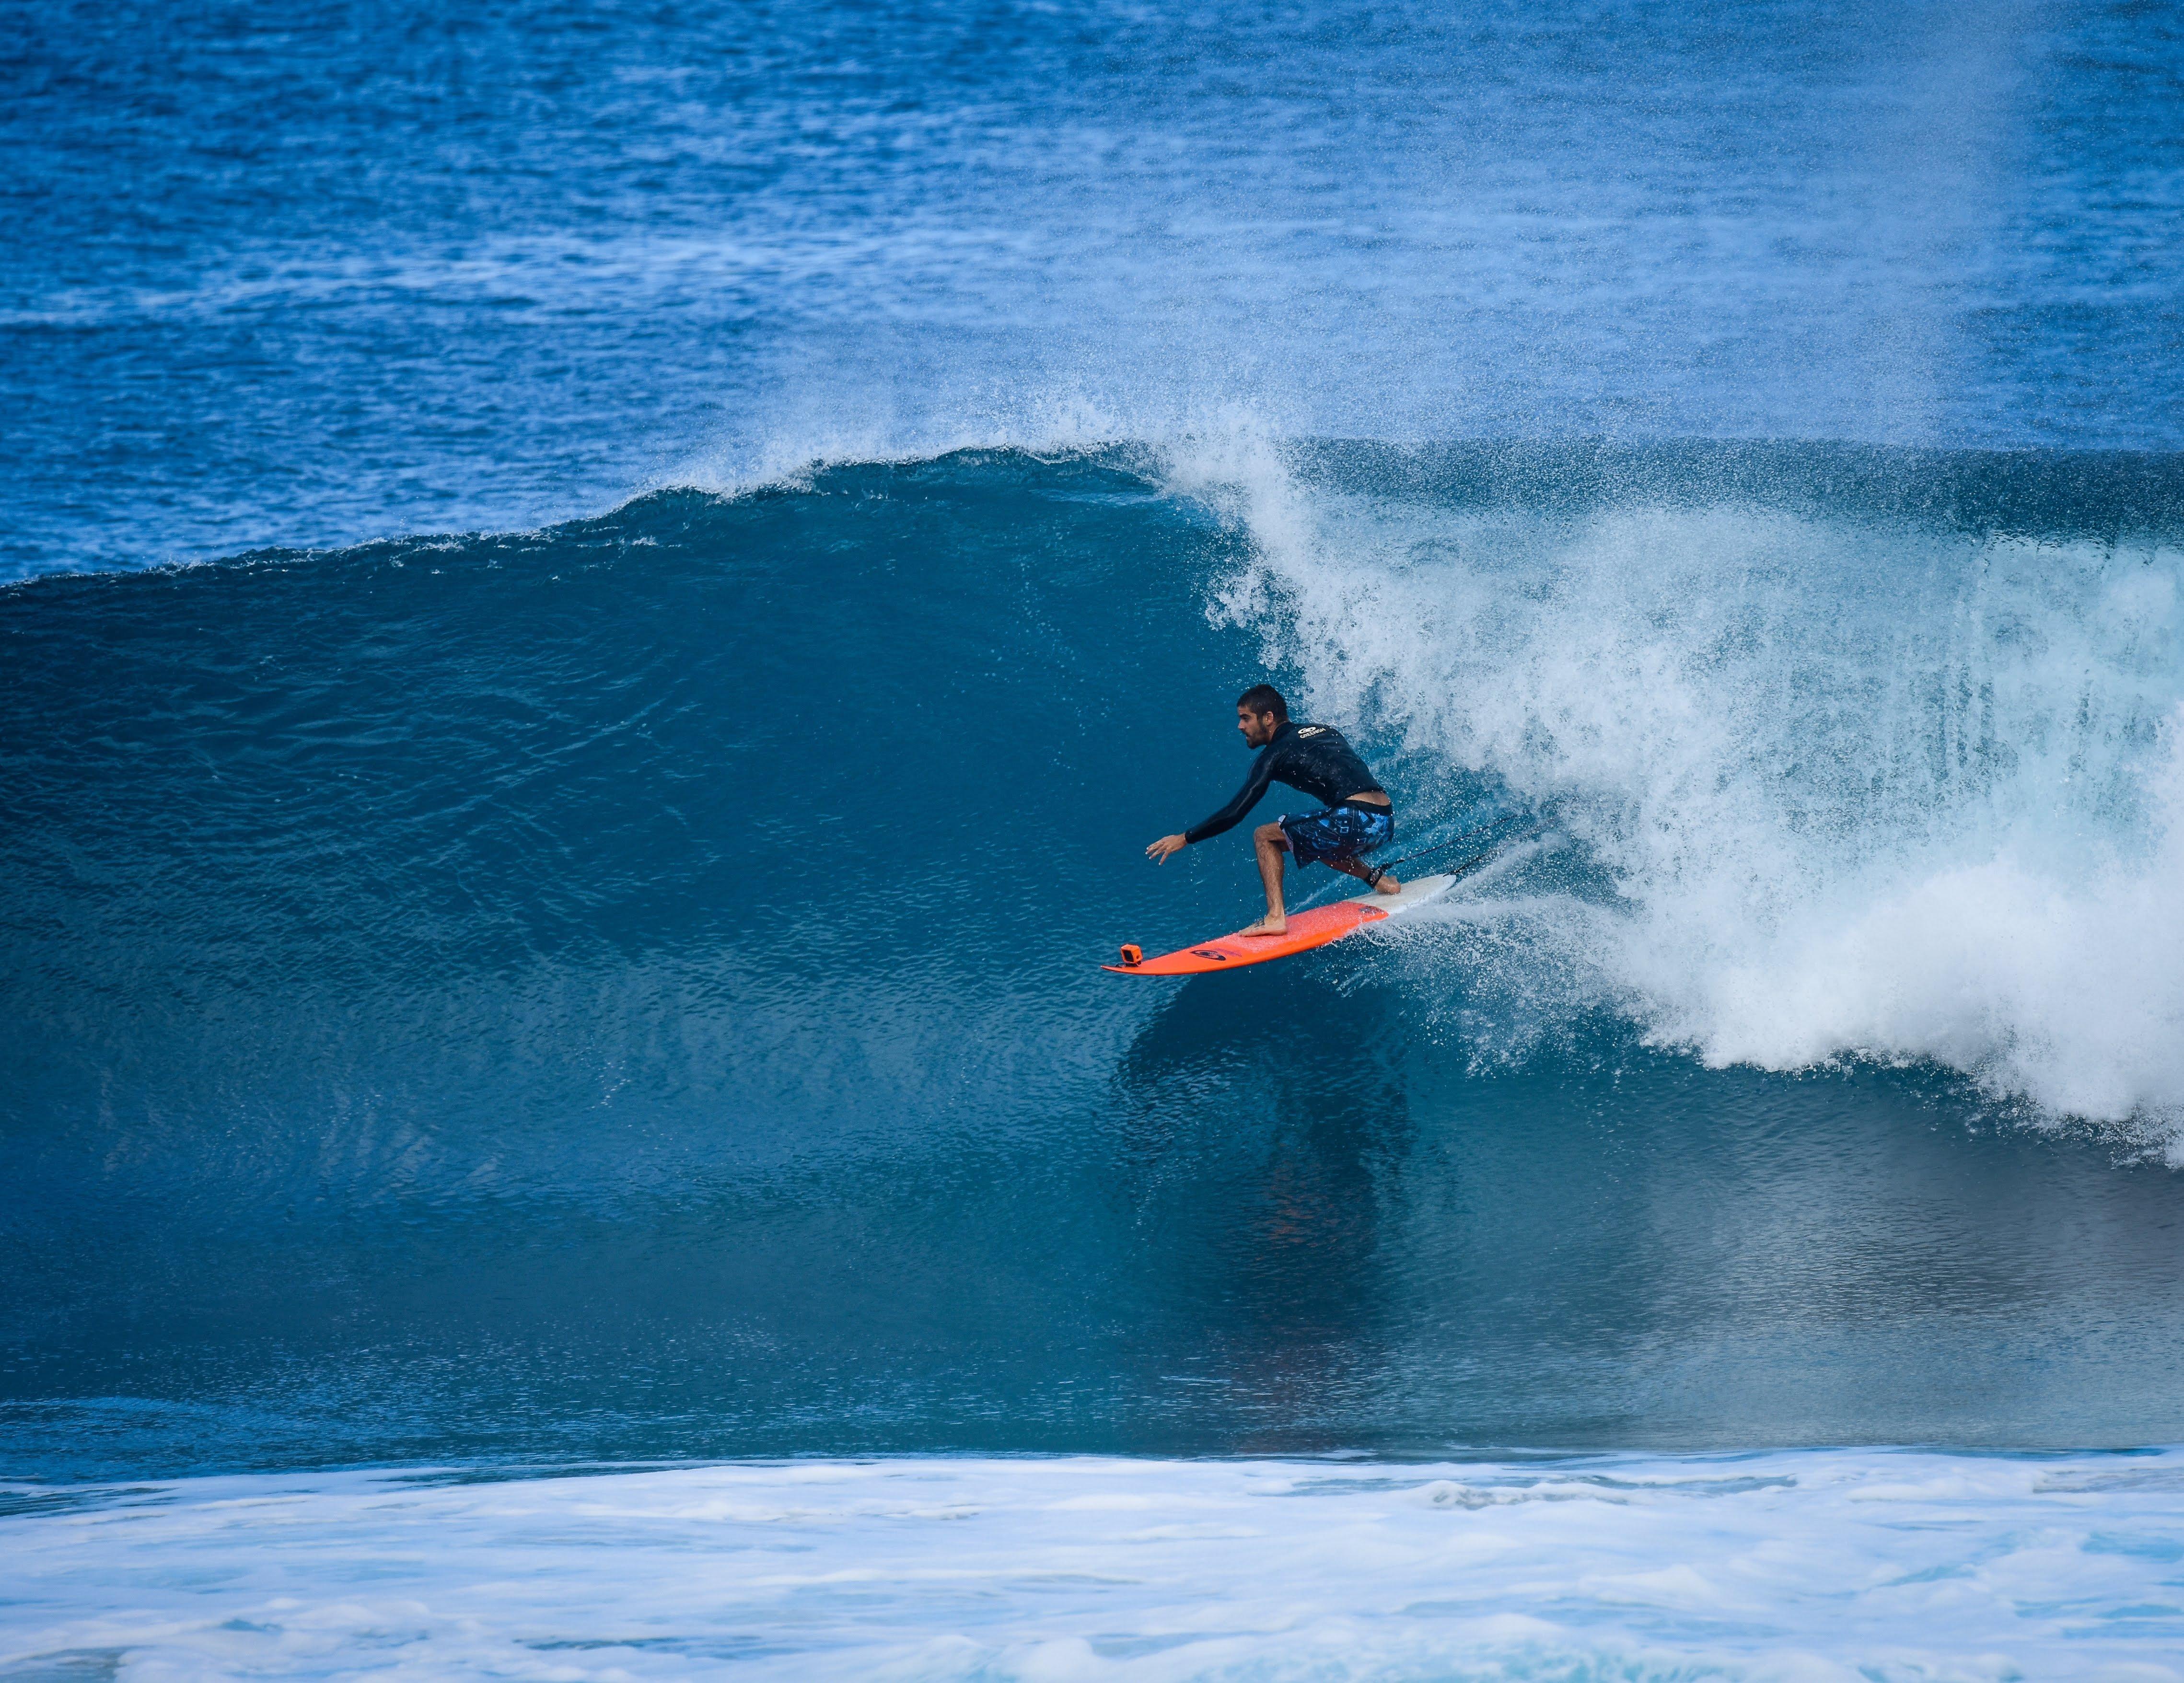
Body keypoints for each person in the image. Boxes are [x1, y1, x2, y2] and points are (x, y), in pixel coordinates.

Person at [1145, 685, 1399, 936]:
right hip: (1384, 819)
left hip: (1355, 819)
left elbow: (1235, 813)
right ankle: (1381, 881)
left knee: (1265, 836)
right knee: (1312, 838)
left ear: (1268, 718)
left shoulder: (1274, 754)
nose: (1240, 727)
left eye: (1246, 718)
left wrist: (1186, 838)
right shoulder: (1324, 731)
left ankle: (1275, 917)